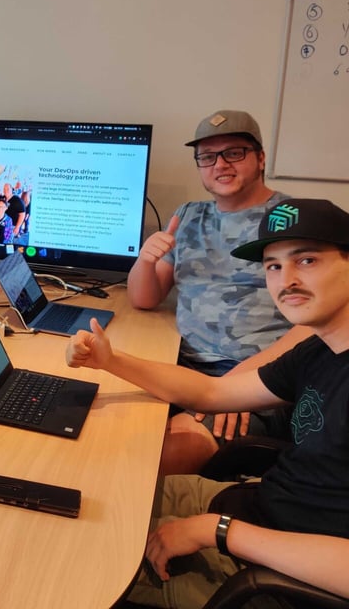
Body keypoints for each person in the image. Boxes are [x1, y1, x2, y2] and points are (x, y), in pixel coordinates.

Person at [66, 198, 349, 608]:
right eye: (273, 266)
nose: (286, 280)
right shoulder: (321, 348)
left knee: (73, 562)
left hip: (269, 575)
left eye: (306, 260)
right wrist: (110, 361)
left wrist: (217, 531)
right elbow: (212, 393)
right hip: (257, 508)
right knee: (86, 499)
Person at [128, 109, 312, 474]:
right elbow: (144, 299)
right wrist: (146, 261)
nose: (220, 165)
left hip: (258, 377)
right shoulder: (189, 215)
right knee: (102, 421)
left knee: (149, 457)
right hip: (185, 366)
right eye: (207, 157)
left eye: (234, 152)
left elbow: (319, 324)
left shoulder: (293, 218)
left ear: (260, 158)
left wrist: (244, 384)